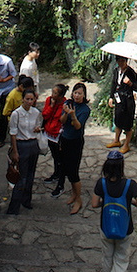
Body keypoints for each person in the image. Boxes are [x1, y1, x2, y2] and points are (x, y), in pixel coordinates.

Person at [91, 150, 137, 272]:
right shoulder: (130, 185)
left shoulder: (101, 184)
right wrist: (131, 203)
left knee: (107, 255)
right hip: (125, 229)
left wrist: (107, 201)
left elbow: (94, 204)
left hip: (106, 227)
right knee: (121, 259)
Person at [52, 82, 90, 214]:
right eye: (75, 93)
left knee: (74, 172)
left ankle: (78, 199)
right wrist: (66, 113)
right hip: (65, 139)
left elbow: (78, 126)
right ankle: (74, 194)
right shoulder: (68, 103)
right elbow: (62, 121)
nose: (77, 96)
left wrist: (73, 115)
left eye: (80, 93)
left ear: (84, 95)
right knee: (65, 167)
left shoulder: (85, 109)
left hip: (75, 142)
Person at [7, 88, 43, 215]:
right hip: (21, 145)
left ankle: (26, 201)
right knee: (21, 177)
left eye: (31, 99)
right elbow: (13, 134)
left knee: (31, 174)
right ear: (22, 99)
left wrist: (38, 129)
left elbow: (37, 125)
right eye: (27, 99)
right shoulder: (16, 114)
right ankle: (14, 206)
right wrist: (15, 151)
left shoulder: (35, 112)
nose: (29, 101)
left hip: (33, 144)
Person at [108, 54, 137, 154]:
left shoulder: (131, 73)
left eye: (123, 61)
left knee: (127, 123)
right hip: (119, 100)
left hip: (128, 101)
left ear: (126, 61)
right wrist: (111, 97)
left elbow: (136, 88)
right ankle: (116, 140)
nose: (121, 63)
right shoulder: (116, 71)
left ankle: (126, 145)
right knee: (118, 120)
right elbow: (114, 84)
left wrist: (130, 83)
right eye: (119, 61)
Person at [0, 43, 16, 148]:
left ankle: (2, 137)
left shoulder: (7, 61)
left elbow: (13, 74)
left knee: (4, 114)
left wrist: (3, 80)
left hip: (7, 89)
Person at [41, 82, 68, 183]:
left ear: (61, 96)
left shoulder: (65, 105)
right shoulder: (49, 100)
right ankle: (57, 173)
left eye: (55, 93)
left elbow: (61, 120)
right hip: (49, 133)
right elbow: (45, 115)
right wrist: (51, 106)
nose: (52, 94)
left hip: (57, 134)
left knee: (59, 156)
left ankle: (59, 174)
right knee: (54, 155)